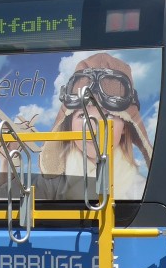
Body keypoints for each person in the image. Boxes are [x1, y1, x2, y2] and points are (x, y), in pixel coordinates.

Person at [38, 52, 154, 200]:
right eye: (82, 115)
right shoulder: (49, 184)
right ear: (68, 123)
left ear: (126, 126)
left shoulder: (142, 191)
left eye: (108, 116)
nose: (92, 128)